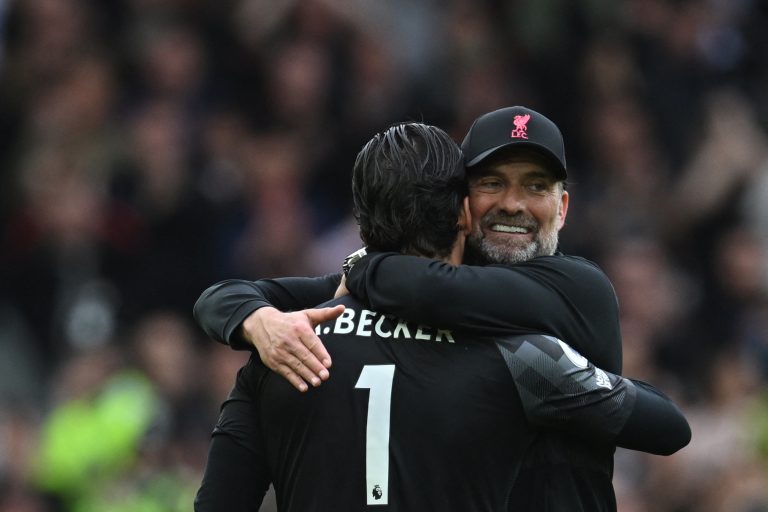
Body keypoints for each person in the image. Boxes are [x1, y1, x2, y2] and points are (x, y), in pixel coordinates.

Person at [194, 122, 689, 511]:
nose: (513, 203)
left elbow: (219, 502)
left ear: (361, 218)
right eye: (493, 183)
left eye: (533, 186)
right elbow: (669, 427)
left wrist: (261, 322)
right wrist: (256, 316)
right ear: (464, 210)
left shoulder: (287, 345)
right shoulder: (518, 357)